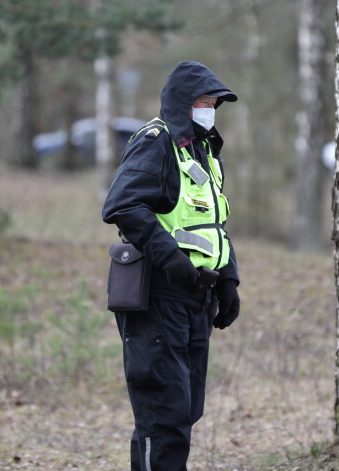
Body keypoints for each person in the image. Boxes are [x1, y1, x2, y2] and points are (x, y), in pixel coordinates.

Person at [102, 61, 241, 471]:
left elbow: (212, 223)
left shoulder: (202, 150)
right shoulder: (155, 141)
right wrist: (172, 260)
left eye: (214, 103)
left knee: (185, 410)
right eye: (203, 101)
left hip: (197, 297)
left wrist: (229, 278)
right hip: (157, 294)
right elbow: (122, 205)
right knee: (163, 415)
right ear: (182, 103)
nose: (209, 109)